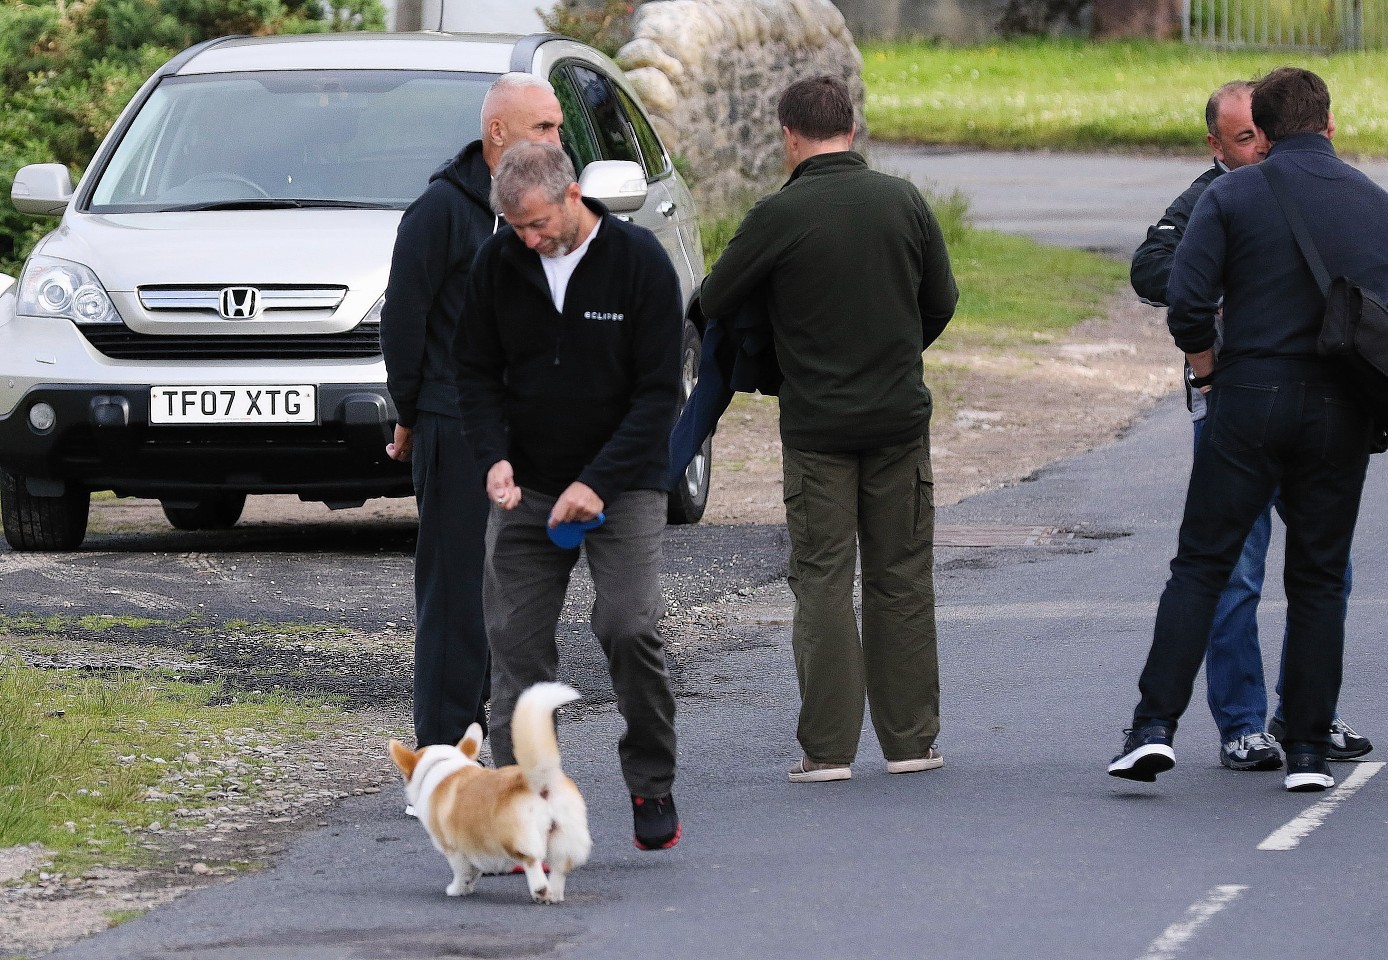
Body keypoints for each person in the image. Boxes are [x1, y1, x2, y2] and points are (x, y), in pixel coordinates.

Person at [1109, 67, 1387, 792]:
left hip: (1250, 396)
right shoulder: (1372, 202)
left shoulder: (1230, 195)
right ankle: (1307, 751)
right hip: (1339, 408)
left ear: (1260, 130)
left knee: (1204, 564)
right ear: (1328, 124)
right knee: (1321, 578)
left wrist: (1206, 373)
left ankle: (1152, 730)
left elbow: (1186, 304)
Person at [699, 76, 958, 783]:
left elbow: (713, 299)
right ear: (851, 127)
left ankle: (828, 750)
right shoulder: (904, 201)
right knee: (901, 578)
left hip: (816, 426)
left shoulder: (779, 215)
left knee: (822, 580)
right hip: (899, 420)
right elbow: (941, 301)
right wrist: (896, 347)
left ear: (790, 135)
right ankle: (911, 742)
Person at [454, 142, 683, 851]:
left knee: (627, 625)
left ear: (573, 195)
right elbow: (475, 374)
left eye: (537, 223)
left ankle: (651, 778)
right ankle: (527, 812)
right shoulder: (498, 266)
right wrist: (492, 458)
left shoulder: (640, 263)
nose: (529, 239)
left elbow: (657, 396)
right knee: (516, 654)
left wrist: (597, 482)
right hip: (527, 485)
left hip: (624, 482)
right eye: (515, 227)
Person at [380, 74, 564, 754]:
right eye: (542, 128)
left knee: (518, 596)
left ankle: (501, 743)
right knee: (458, 594)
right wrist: (410, 408)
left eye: (558, 128)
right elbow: (404, 318)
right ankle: (438, 753)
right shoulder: (440, 210)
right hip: (454, 425)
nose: (556, 140)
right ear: (498, 135)